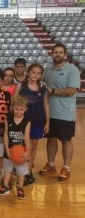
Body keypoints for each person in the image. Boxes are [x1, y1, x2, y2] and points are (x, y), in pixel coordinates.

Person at [41, 44, 80, 181]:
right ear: (52, 54)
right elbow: (43, 86)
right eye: (55, 52)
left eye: (60, 52)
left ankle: (66, 167)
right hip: (49, 113)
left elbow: (73, 90)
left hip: (65, 113)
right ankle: (51, 164)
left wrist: (54, 91)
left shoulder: (72, 69)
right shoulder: (48, 70)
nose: (57, 54)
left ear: (65, 55)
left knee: (66, 140)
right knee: (50, 139)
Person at [15, 63, 49, 186]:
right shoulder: (21, 86)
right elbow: (15, 103)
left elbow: (45, 105)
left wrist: (47, 122)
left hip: (38, 121)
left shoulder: (43, 88)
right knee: (23, 146)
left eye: (39, 73)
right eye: (33, 72)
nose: (36, 75)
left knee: (33, 148)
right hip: (23, 122)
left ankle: (28, 172)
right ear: (28, 72)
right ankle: (21, 171)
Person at [0, 95, 31, 200]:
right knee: (7, 169)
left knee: (21, 171)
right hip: (10, 150)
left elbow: (27, 136)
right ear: (12, 108)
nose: (18, 112)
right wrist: (6, 149)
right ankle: (5, 186)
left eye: (21, 109)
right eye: (16, 109)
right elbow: (6, 134)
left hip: (21, 151)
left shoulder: (27, 121)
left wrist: (27, 151)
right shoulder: (9, 118)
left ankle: (20, 187)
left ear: (26, 109)